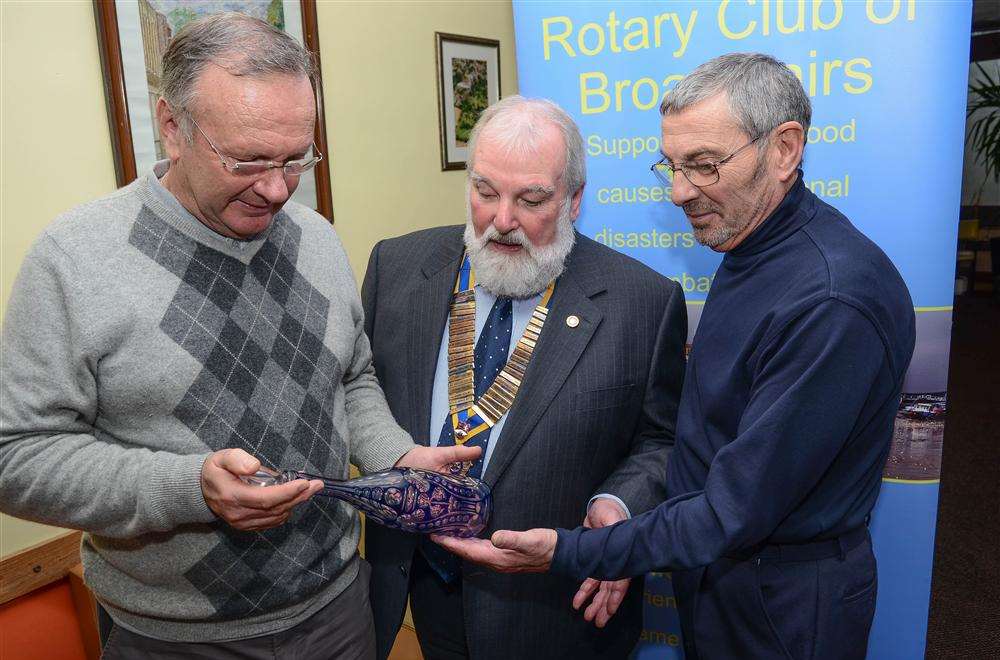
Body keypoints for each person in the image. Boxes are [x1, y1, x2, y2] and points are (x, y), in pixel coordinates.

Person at [0, 13, 475, 659]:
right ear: (173, 127)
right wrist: (188, 487)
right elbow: (17, 456)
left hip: (338, 609)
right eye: (249, 160)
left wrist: (394, 454)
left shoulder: (316, 239)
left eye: (296, 158)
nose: (278, 189)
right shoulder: (74, 259)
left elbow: (352, 377)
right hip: (173, 639)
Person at [436, 53, 917, 660]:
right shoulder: (752, 247)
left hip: (784, 608)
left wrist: (569, 551)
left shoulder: (830, 300)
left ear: (785, 150)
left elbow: (733, 509)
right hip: (720, 578)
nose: (680, 191)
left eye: (704, 166)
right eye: (672, 166)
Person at [361, 95, 687, 660]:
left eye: (531, 199)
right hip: (422, 584)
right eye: (485, 191)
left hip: (554, 610)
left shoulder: (644, 302)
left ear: (575, 201)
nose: (502, 220)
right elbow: (357, 387)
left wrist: (619, 503)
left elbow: (661, 440)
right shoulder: (397, 266)